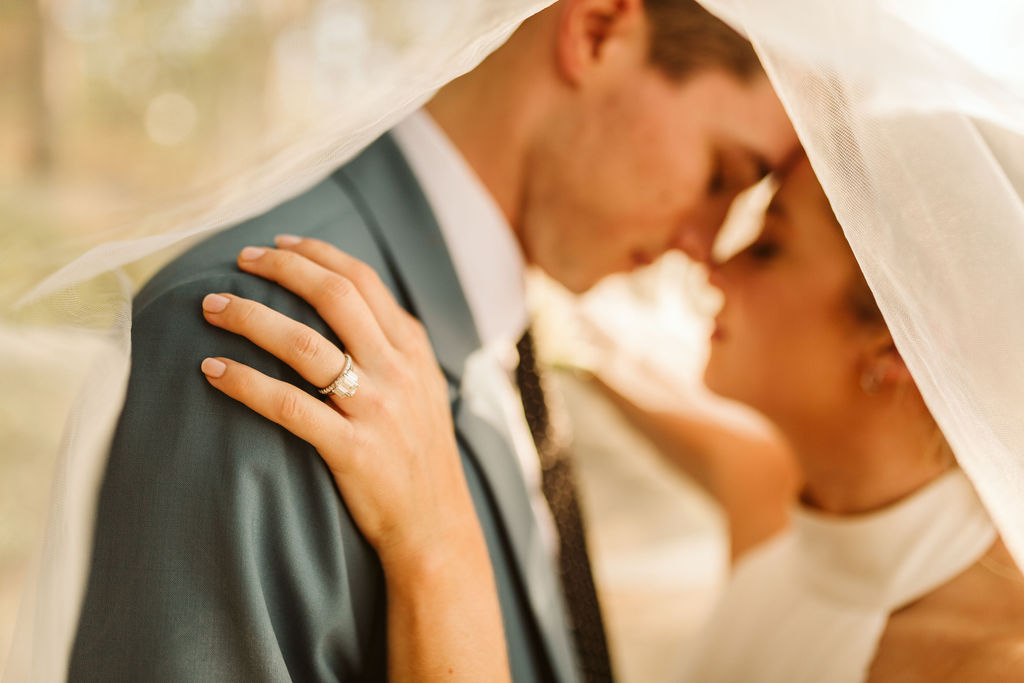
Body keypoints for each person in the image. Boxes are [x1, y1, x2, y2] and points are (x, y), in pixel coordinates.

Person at [68, 0, 798, 680]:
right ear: (597, 31)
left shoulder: (505, 346)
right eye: (721, 174)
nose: (708, 245)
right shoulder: (269, 338)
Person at [195, 153, 1024, 681]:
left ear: (899, 348)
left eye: (767, 244)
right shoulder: (777, 489)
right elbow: (606, 360)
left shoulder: (983, 663)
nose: (716, 266)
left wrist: (436, 540)